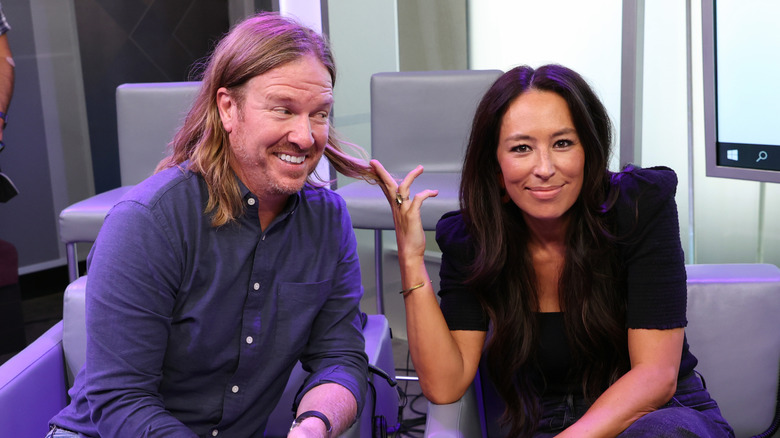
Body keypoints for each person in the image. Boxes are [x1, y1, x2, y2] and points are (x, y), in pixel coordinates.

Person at [48, 12, 378, 438]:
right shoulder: (147, 223)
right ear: (228, 108)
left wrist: (314, 425)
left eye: (320, 114)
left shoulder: (327, 220)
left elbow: (340, 357)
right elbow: (122, 403)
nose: (305, 136)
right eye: (283, 109)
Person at [370, 64, 735, 437]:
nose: (544, 168)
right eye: (521, 148)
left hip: (655, 416)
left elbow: (656, 377)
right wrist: (411, 258)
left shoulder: (640, 207)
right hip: (540, 421)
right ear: (495, 165)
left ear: (589, 151)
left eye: (562, 143)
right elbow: (445, 385)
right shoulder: (472, 238)